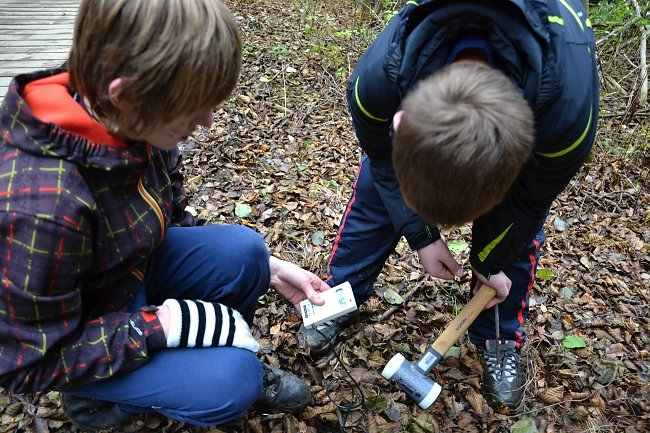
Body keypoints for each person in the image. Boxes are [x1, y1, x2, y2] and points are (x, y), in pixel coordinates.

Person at [0, 0, 330, 431]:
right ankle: (94, 398)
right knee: (232, 382)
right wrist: (160, 327)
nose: (208, 122)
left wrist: (268, 271)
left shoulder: (135, 119)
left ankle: (206, 353)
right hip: (80, 331)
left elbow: (168, 212)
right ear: (124, 95)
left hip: (125, 277)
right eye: (193, 109)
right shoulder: (40, 206)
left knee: (247, 252)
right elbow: (23, 365)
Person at [299, 0, 599, 414]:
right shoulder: (378, 81)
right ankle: (340, 293)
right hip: (423, 92)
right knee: (377, 190)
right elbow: (384, 162)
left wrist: (489, 260)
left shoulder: (567, 119)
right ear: (399, 121)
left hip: (545, 90)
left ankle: (497, 335)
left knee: (512, 237)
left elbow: (527, 203)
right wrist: (421, 235)